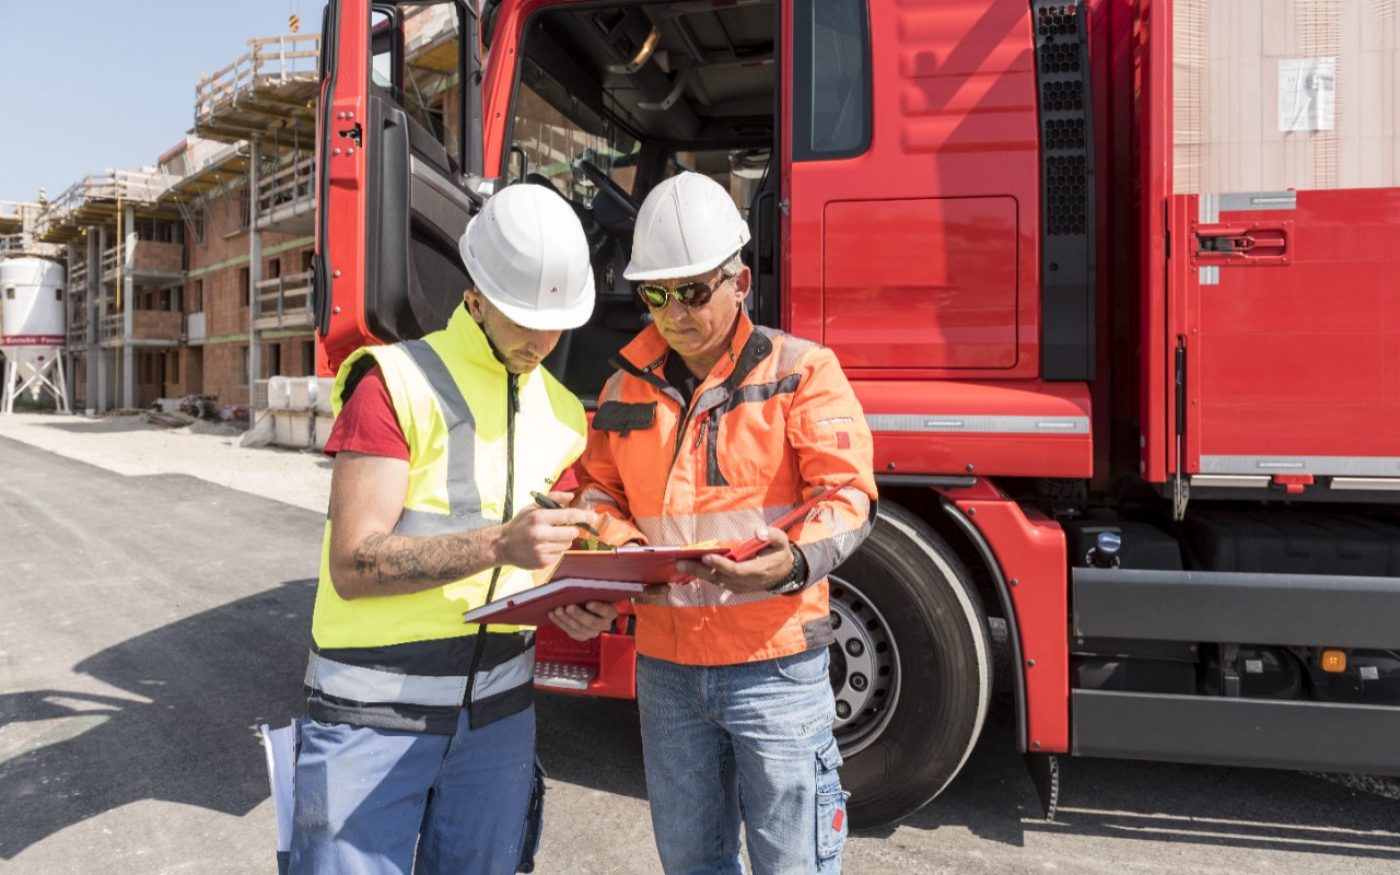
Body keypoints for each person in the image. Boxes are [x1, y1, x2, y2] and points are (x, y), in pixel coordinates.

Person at [290, 184, 618, 874]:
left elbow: (548, 556)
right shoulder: (394, 383)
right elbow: (353, 563)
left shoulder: (564, 413)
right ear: (477, 294)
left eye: (556, 323)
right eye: (524, 318)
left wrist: (577, 601)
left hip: (497, 720)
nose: (541, 341)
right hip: (372, 713)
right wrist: (498, 543)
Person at [576, 172, 877, 874]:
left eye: (692, 291)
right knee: (691, 862)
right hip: (667, 668)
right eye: (656, 295)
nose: (674, 313)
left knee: (792, 863)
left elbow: (848, 496)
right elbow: (596, 493)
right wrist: (624, 551)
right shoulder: (623, 385)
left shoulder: (803, 372)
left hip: (775, 662)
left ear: (739, 282)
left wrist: (789, 563)